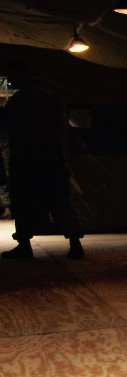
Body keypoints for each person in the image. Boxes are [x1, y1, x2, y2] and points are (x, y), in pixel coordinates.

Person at [0, 60, 83, 260]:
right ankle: (74, 243)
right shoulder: (48, 96)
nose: (10, 82)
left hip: (28, 160)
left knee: (24, 203)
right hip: (50, 159)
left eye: (12, 77)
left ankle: (25, 245)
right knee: (59, 201)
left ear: (22, 75)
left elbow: (9, 123)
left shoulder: (22, 100)